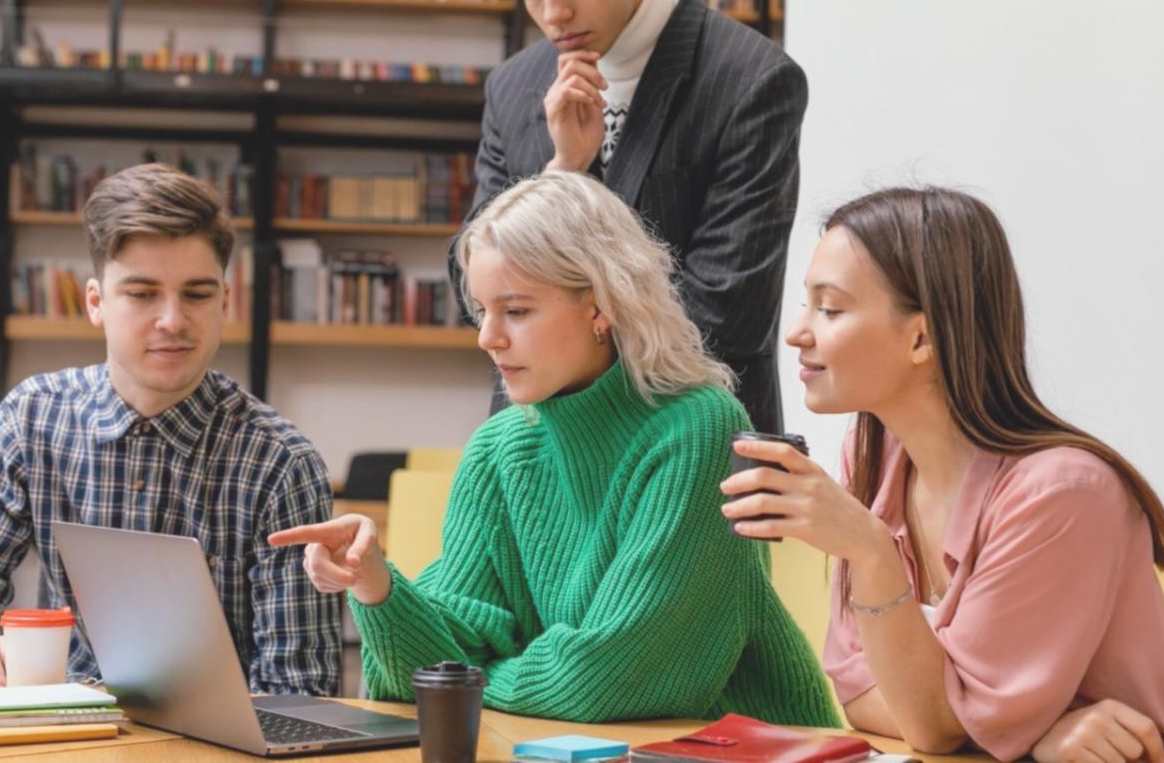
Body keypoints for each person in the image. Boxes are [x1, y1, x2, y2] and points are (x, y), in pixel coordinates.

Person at [272, 172, 838, 725]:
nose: (487, 337)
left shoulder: (699, 429)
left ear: (599, 306)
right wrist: (377, 587)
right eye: (481, 311)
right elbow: (420, 681)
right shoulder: (499, 448)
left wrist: (477, 680)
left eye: (516, 311)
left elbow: (615, 679)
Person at [720, 187, 1164, 760]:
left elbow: (933, 730)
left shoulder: (1064, 494)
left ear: (921, 336)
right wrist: (1020, 731)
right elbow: (859, 692)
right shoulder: (873, 458)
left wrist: (873, 552)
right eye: (807, 304)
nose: (798, 333)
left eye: (830, 308)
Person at [0, 163, 341, 694]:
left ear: (226, 302)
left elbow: (301, 693)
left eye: (197, 295)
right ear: (96, 303)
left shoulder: (281, 463)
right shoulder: (33, 418)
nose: (172, 320)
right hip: (63, 733)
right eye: (142, 294)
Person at [460, 0, 806, 434]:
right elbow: (467, 281)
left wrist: (558, 332)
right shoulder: (513, 87)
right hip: (536, 451)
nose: (554, 13)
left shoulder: (752, 81)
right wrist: (563, 175)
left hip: (690, 447)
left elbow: (727, 313)